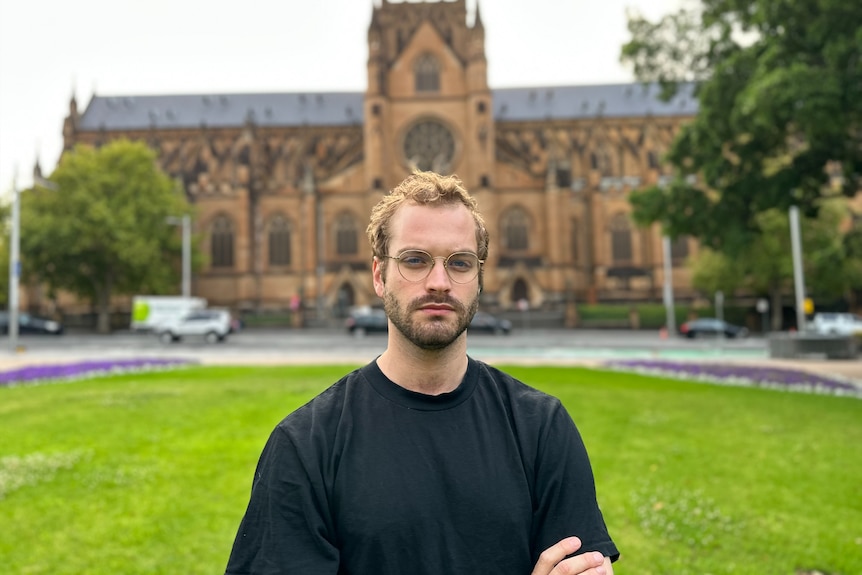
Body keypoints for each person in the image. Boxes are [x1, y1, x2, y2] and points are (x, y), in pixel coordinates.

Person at [225, 171, 619, 574]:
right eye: (415, 260)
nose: (439, 282)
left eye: (460, 263)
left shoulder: (542, 429)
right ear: (379, 276)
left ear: (479, 278)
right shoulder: (306, 445)